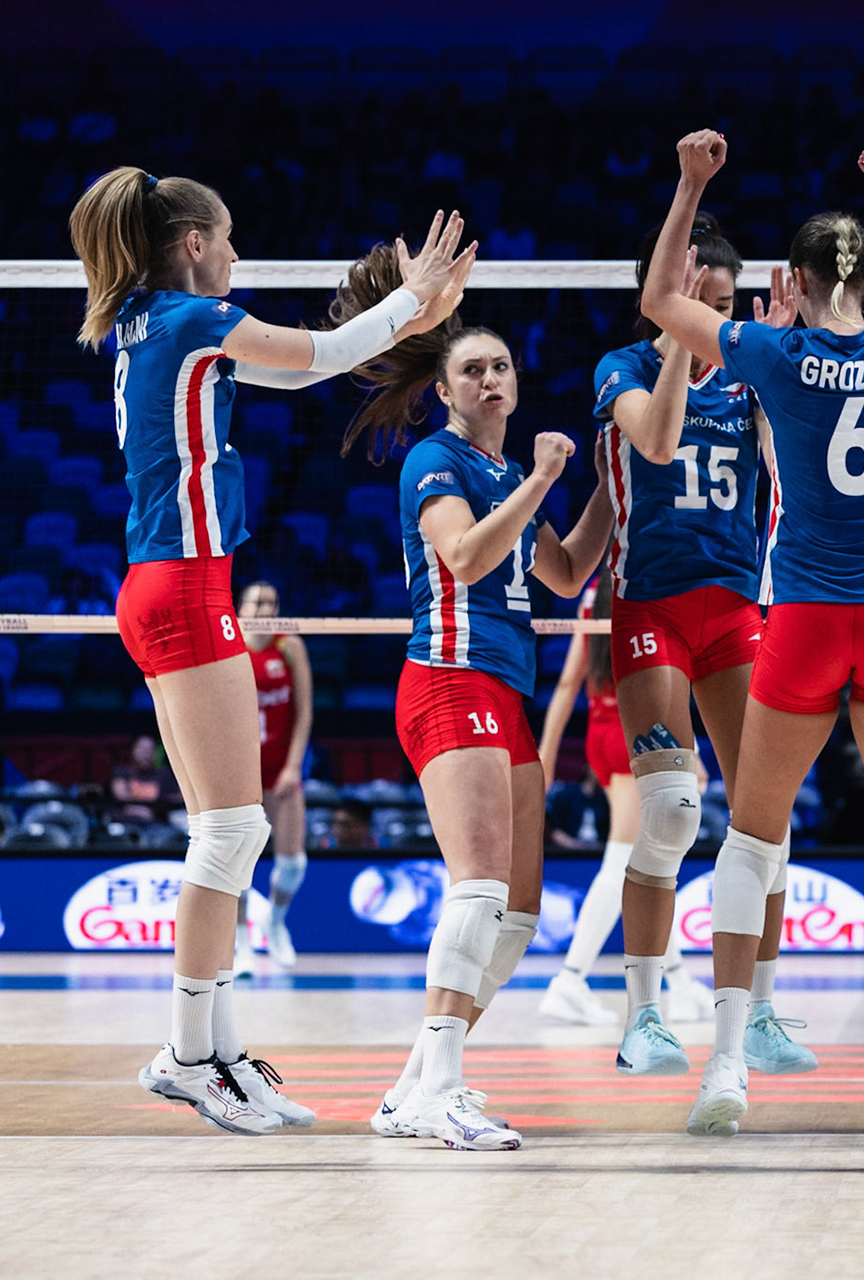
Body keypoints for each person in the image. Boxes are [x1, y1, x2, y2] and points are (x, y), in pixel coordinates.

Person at [71, 165, 472, 1135]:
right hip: (183, 580)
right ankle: (188, 1053)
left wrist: (410, 321)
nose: (241, 253)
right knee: (230, 829)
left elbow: (303, 367)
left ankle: (216, 1051)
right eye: (233, 238)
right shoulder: (181, 321)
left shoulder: (149, 326)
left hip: (165, 580)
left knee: (228, 826)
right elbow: (320, 351)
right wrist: (414, 303)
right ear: (195, 246)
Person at [643, 131, 864, 1168]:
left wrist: (691, 188)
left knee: (752, 840)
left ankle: (725, 1062)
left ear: (789, 281)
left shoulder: (770, 351)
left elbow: (658, 303)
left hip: (806, 619)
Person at [325, 243, 613, 1151]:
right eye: (473, 369)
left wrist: (614, 482)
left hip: (504, 693)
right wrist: (541, 481)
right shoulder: (435, 462)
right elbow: (465, 556)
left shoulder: (504, 478)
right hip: (450, 679)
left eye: (501, 366)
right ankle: (443, 1088)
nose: (491, 378)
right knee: (480, 885)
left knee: (518, 915)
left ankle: (412, 1087)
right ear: (446, 390)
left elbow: (565, 574)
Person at [591, 214, 814, 1080]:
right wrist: (686, 332)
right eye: (699, 304)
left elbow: (797, 463)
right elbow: (652, 437)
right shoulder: (625, 368)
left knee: (769, 820)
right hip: (650, 606)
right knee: (675, 812)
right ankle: (642, 1014)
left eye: (725, 307)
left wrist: (786, 362)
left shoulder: (753, 381)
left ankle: (758, 1012)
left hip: (735, 612)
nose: (717, 322)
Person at [534, 575, 717, 1029]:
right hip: (639, 732)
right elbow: (669, 682)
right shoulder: (655, 579)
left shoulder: (594, 592)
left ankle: (678, 983)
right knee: (623, 861)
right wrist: (685, 753)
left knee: (646, 863)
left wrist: (547, 756)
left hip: (600, 734)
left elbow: (566, 685)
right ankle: (569, 980)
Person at [234, 581, 314, 971]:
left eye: (272, 601)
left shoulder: (290, 646)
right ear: (240, 608)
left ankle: (276, 924)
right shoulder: (228, 644)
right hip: (240, 772)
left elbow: (304, 713)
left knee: (293, 862)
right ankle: (241, 943)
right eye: (258, 602)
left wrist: (293, 767)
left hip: (281, 771)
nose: (266, 608)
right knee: (237, 864)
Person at [109, 734, 178, 825]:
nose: (146, 754)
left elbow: (175, 798)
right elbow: (121, 796)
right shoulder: (122, 773)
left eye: (150, 750)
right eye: (142, 749)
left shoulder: (163, 775)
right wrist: (139, 810)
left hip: (157, 824)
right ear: (133, 750)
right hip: (125, 822)